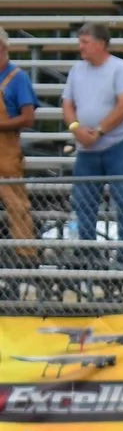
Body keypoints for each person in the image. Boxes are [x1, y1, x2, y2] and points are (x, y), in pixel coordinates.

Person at [63, 23, 123, 257]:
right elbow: (67, 103)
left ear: (101, 43)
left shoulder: (121, 68)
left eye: (85, 42)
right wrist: (76, 128)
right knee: (84, 203)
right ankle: (86, 253)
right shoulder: (77, 70)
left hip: (119, 144)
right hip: (86, 148)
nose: (81, 47)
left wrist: (97, 132)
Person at [0, 30, 39, 262]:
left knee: (17, 205)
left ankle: (26, 254)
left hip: (6, 151)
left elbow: (28, 118)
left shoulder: (18, 77)